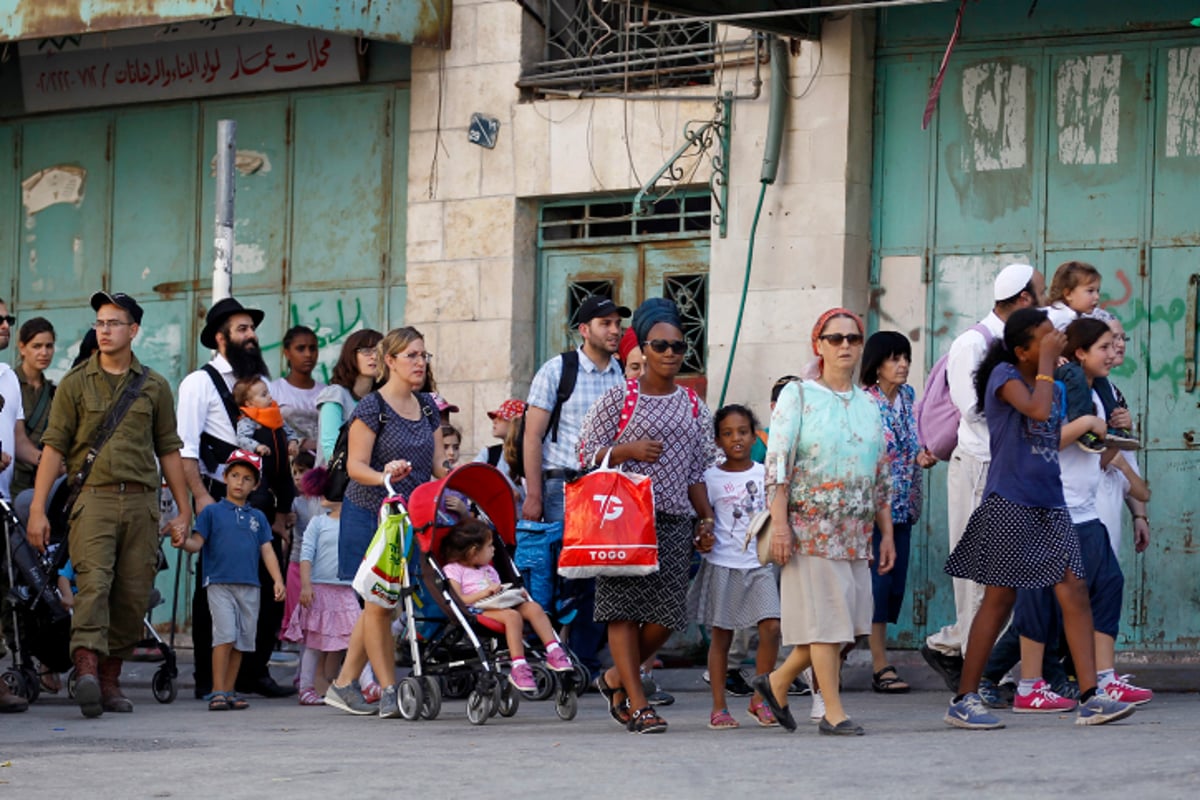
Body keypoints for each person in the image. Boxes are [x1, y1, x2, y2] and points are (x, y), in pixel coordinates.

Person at [940, 307, 1134, 730]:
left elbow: (1058, 428)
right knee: (999, 600)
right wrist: (1049, 363)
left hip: (1050, 502)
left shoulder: (1055, 384)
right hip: (1012, 501)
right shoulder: (1004, 377)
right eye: (1045, 339)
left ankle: (1090, 697)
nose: (1055, 342)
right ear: (1022, 349)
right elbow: (1038, 412)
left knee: (1074, 591)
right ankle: (964, 697)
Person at [27, 291, 191, 718]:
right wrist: (37, 509)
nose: (104, 330)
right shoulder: (76, 384)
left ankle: (110, 679)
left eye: (113, 323)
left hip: (142, 504)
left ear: (133, 330)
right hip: (93, 501)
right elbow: (52, 449)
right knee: (94, 585)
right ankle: (85, 669)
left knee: (132, 595)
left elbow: (169, 450)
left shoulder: (155, 386)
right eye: (99, 322)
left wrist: (183, 509)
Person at [750, 308, 894, 737]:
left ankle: (776, 682)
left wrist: (885, 533)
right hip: (809, 526)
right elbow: (777, 464)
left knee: (846, 624)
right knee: (827, 624)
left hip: (856, 529)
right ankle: (832, 711)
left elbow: (880, 472)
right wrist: (779, 526)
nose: (845, 345)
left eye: (852, 338)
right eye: (835, 338)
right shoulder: (800, 395)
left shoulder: (871, 404)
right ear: (819, 345)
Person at [578, 298, 715, 735]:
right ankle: (638, 705)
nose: (671, 354)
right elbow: (583, 454)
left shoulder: (694, 405)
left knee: (669, 615)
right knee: (622, 611)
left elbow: (698, 468)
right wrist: (626, 451)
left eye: (679, 346)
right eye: (661, 346)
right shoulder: (619, 399)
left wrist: (706, 518)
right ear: (645, 348)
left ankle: (617, 678)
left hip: (675, 520)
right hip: (622, 519)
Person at [1009, 318, 1153, 714]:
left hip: (1083, 507)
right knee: (1038, 597)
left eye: (1115, 344)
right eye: (1104, 347)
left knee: (1108, 583)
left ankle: (1104, 679)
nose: (1113, 353)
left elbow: (1103, 447)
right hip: (1050, 505)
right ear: (1079, 354)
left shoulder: (1102, 392)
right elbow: (1046, 438)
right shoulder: (1057, 389)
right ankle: (1027, 684)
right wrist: (1089, 424)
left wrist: (1114, 433)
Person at [921, 264, 1045, 692]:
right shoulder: (973, 343)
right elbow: (973, 408)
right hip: (979, 465)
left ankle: (978, 662)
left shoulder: (1016, 344)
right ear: (1024, 298)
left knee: (1008, 575)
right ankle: (974, 671)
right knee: (980, 576)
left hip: (1008, 467)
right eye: (1040, 293)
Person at [323, 327, 446, 718]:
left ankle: (343, 685)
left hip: (408, 518)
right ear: (389, 361)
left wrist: (459, 486)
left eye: (424, 355)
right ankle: (391, 689)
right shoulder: (371, 408)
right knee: (379, 602)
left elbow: (439, 466)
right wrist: (385, 476)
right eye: (411, 355)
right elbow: (357, 467)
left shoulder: (428, 407)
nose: (420, 363)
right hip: (369, 514)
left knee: (381, 605)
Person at [176, 296, 293, 699]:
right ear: (221, 337)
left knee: (263, 586)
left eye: (252, 329)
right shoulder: (198, 383)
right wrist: (201, 502)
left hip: (261, 501)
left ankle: (254, 671)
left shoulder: (262, 385)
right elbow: (186, 449)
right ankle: (210, 679)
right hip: (219, 497)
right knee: (216, 587)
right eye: (242, 329)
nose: (251, 336)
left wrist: (280, 507)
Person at [523, 294, 629, 680]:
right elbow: (531, 436)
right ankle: (550, 656)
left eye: (617, 323)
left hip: (607, 489)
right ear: (584, 330)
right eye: (605, 324)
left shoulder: (622, 375)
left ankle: (581, 660)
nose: (614, 330)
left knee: (602, 576)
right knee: (564, 576)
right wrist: (534, 494)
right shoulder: (558, 370)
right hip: (562, 488)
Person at [686, 404, 781, 730]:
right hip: (723, 564)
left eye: (742, 432)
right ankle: (719, 707)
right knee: (722, 637)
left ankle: (760, 699)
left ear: (754, 435)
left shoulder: (764, 473)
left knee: (771, 627)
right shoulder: (709, 479)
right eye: (727, 434)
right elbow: (701, 521)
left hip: (759, 564)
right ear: (717, 440)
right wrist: (702, 537)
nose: (736, 439)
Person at [173, 450, 286, 711]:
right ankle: (216, 691)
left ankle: (229, 689)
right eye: (234, 475)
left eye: (247, 478)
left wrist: (277, 580)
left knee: (242, 640)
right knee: (224, 636)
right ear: (224, 477)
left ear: (255, 485)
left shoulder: (258, 518)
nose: (239, 482)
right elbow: (196, 543)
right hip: (219, 584)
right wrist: (182, 542)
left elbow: (267, 550)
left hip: (251, 586)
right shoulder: (211, 512)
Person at [861, 332, 937, 694]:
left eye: (905, 357)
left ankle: (841, 656)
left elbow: (912, 443)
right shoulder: (863, 402)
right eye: (894, 358)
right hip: (871, 512)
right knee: (875, 586)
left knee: (891, 588)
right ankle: (880, 664)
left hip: (904, 507)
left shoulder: (908, 397)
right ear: (877, 365)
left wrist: (922, 455)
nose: (903, 365)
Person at [441, 518, 574, 690]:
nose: (494, 549)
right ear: (474, 552)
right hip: (477, 609)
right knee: (513, 616)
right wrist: (485, 593)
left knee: (533, 607)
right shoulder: (454, 570)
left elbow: (499, 591)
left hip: (499, 603)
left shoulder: (487, 569)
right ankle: (518, 666)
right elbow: (459, 599)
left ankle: (554, 650)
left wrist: (515, 593)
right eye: (489, 546)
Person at [283, 469, 359, 706]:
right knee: (314, 643)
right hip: (320, 590)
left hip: (347, 590)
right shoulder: (318, 522)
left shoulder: (355, 524)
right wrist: (306, 586)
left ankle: (365, 684)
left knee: (355, 638)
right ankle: (306, 687)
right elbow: (305, 555)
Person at [1044, 261, 1138, 452]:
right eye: (1090, 291)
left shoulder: (1086, 315)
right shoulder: (1055, 315)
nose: (1096, 297)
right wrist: (1052, 358)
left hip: (1074, 363)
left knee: (1100, 378)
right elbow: (1036, 342)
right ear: (1068, 293)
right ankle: (1082, 426)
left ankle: (1114, 425)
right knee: (1076, 374)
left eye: (1097, 291)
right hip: (1062, 368)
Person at [1096, 315, 1150, 557]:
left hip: (1109, 507)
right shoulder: (1078, 388)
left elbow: (1125, 456)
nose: (1120, 345)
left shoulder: (1112, 392)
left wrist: (1139, 515)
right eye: (1111, 339)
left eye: (1122, 338)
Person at [315, 329, 382, 465]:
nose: (374, 357)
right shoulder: (336, 394)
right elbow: (330, 447)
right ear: (351, 355)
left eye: (379, 352)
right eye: (366, 351)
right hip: (338, 480)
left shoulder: (380, 398)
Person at [11, 317, 56, 497]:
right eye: (36, 346)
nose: (44, 352)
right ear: (22, 348)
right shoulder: (7, 384)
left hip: (44, 484)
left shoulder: (55, 392)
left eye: (49, 346)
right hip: (12, 482)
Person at [270, 325, 323, 453]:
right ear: (287, 353)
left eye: (312, 348)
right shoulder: (273, 390)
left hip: (320, 468)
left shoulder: (326, 393)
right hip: (285, 466)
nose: (308, 355)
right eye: (300, 349)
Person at [234, 377, 300, 459]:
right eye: (264, 395)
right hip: (262, 467)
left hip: (283, 465)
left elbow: (290, 432)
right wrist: (257, 446)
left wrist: (293, 442)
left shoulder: (275, 415)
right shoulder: (248, 421)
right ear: (249, 404)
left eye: (268, 392)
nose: (269, 397)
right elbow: (242, 439)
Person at [474, 398, 525, 487]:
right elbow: (470, 479)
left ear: (515, 423)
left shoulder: (529, 455)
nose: (494, 421)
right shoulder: (489, 454)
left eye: (501, 418)